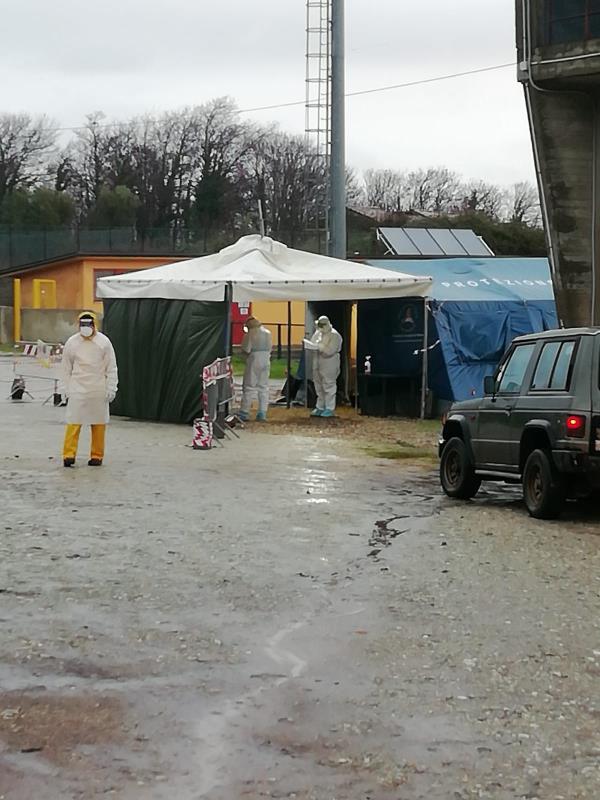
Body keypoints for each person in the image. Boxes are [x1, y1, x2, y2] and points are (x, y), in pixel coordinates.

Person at [61, 312, 118, 467]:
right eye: (83, 325)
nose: (85, 328)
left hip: (98, 388)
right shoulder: (72, 343)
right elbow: (66, 368)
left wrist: (111, 387)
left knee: (99, 423)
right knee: (73, 422)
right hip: (77, 387)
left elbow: (111, 367)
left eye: (88, 325)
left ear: (94, 325)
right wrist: (65, 388)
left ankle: (97, 455)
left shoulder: (104, 342)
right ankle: (68, 455)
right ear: (78, 325)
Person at [239, 316, 272, 422]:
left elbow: (246, 349)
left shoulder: (250, 334)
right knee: (264, 386)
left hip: (254, 359)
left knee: (249, 386)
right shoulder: (268, 333)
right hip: (266, 358)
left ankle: (245, 411)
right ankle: (262, 412)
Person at [310, 315, 342, 418]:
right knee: (318, 385)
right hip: (318, 361)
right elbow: (312, 342)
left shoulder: (335, 335)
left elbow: (330, 351)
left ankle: (329, 408)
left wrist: (320, 347)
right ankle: (320, 406)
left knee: (329, 385)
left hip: (329, 362)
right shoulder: (318, 333)